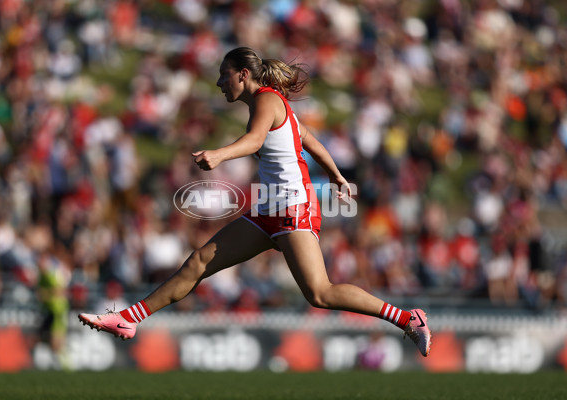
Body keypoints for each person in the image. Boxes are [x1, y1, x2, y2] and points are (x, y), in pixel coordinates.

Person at [78, 47, 432, 357]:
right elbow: (309, 140)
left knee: (320, 294)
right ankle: (128, 318)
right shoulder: (275, 105)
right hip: (269, 209)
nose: (219, 83)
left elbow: (254, 139)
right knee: (200, 261)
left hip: (293, 208)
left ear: (242, 74)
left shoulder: (267, 100)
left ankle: (407, 318)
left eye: (223, 75)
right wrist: (337, 175)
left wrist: (220, 154)